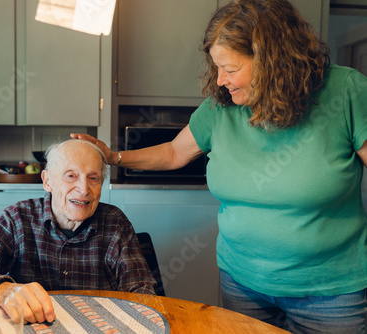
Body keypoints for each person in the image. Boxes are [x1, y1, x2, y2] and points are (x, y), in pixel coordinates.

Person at [71, 0, 367, 333]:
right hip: (243, 285)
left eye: (230, 68)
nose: (221, 79)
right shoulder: (221, 107)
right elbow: (173, 152)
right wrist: (113, 157)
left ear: (271, 60)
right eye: (216, 68)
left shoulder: (346, 92)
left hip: (330, 294)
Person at [0, 139, 156, 324]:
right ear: (47, 181)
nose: (83, 190)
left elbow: (141, 292)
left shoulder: (116, 223)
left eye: (93, 178)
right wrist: (2, 289)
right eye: (71, 176)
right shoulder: (17, 219)